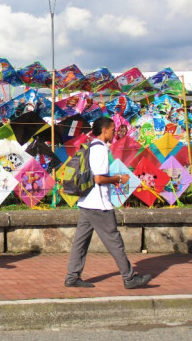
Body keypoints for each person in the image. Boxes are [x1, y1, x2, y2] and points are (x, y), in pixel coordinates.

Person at [64, 117, 152, 289]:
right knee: (114, 241)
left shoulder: (91, 146)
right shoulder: (101, 149)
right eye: (112, 130)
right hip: (99, 204)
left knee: (80, 243)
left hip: (87, 202)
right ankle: (129, 277)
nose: (114, 133)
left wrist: (111, 180)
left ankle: (72, 276)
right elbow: (98, 178)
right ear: (104, 130)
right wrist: (118, 178)